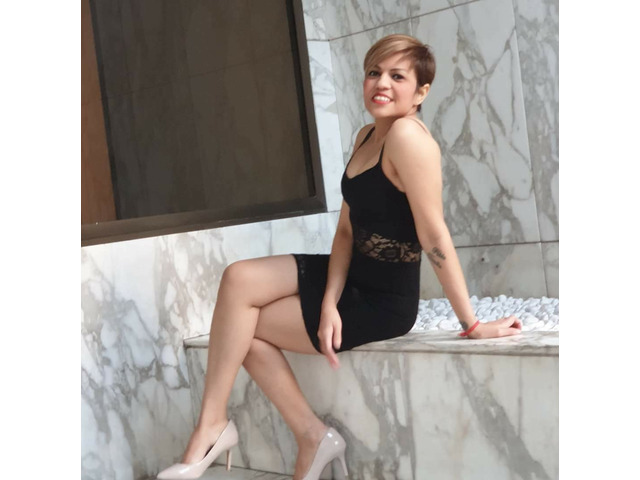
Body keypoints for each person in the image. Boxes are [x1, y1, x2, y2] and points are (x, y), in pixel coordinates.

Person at [157, 33, 522, 480]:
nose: (381, 83)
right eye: (374, 72)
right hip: (348, 278)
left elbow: (433, 234)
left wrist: (472, 324)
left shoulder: (408, 138)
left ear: (421, 92)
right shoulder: (367, 135)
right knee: (238, 279)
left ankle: (298, 436)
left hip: (382, 300)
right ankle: (221, 426)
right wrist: (329, 301)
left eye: (397, 76)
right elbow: (347, 230)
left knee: (242, 329)